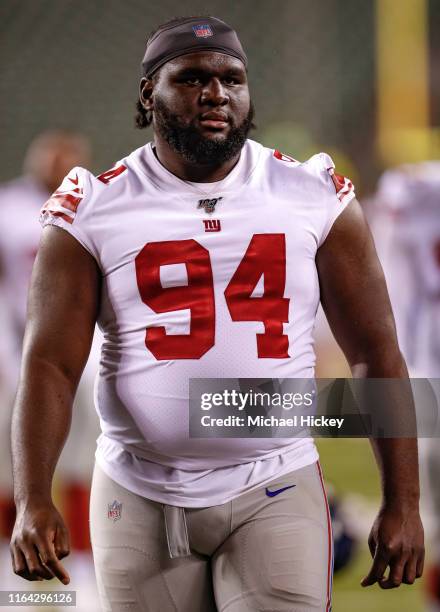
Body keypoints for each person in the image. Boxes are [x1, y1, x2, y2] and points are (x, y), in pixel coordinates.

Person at [10, 16, 424, 612]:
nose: (216, 94)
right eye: (194, 78)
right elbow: (49, 364)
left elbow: (376, 351)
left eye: (232, 78)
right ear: (149, 93)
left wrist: (402, 502)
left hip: (274, 478)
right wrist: (33, 498)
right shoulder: (94, 207)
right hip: (139, 487)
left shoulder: (311, 191)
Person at [0, 131, 101, 608]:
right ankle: (12, 558)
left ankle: (80, 557)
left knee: (86, 455)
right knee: (8, 459)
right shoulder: (8, 206)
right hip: (14, 345)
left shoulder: (93, 203)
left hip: (77, 347)